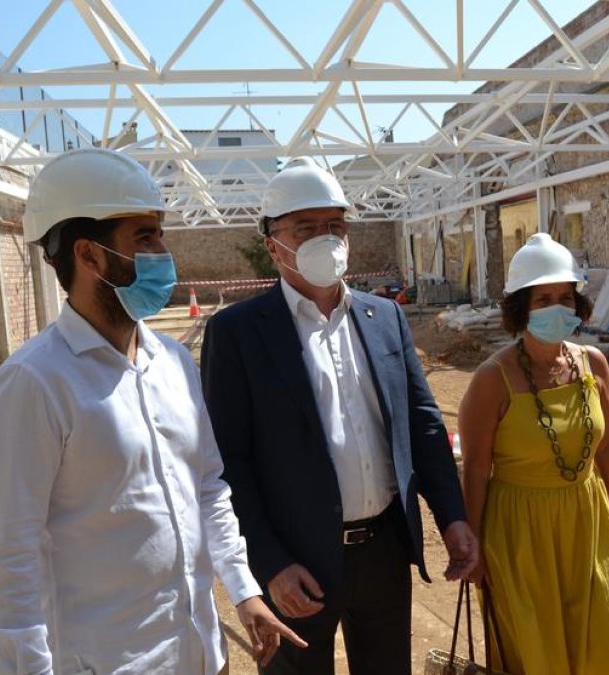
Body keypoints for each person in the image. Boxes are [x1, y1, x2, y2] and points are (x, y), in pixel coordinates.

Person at [0, 147, 304, 674]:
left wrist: (243, 589)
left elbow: (208, 486)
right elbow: (8, 558)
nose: (163, 252)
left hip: (197, 652)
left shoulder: (172, 361)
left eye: (159, 234)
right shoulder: (33, 385)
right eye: (144, 237)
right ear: (89, 255)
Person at [201, 157, 478, 674]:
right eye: (306, 228)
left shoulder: (385, 316)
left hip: (384, 551)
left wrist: (452, 515)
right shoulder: (238, 333)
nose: (324, 239)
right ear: (272, 244)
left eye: (334, 226)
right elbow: (230, 464)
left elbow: (422, 423)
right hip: (296, 563)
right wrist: (271, 565)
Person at [459, 232, 609, 674]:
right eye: (543, 299)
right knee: (537, 653)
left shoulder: (594, 364)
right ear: (521, 308)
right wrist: (474, 548)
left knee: (603, 645)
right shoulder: (491, 379)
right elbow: (477, 469)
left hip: (588, 523)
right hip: (520, 536)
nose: (558, 307)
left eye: (565, 296)